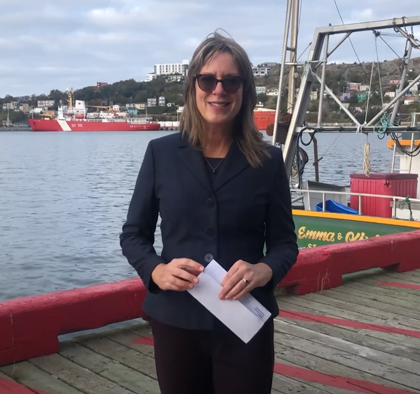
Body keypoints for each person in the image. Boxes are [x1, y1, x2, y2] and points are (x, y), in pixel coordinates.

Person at [119, 31, 299, 394]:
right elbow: (133, 235)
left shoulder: (268, 161)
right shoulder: (160, 154)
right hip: (175, 320)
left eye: (231, 81)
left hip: (246, 321)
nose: (219, 90)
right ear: (193, 87)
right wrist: (156, 270)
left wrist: (263, 270)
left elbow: (284, 244)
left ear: (244, 91)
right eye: (207, 79)